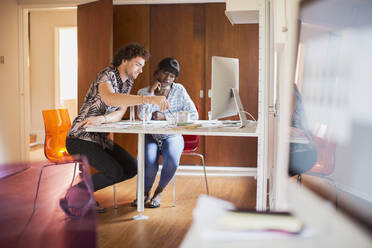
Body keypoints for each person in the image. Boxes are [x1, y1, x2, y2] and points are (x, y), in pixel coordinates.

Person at [65, 43, 169, 213]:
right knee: (114, 171)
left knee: (132, 168)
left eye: (142, 66)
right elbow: (110, 98)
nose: (141, 70)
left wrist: (103, 118)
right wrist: (149, 100)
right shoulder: (106, 75)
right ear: (124, 61)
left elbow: (120, 112)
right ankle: (78, 194)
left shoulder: (127, 83)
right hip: (79, 138)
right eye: (137, 64)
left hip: (99, 140)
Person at [132, 57, 198, 208]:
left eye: (173, 76)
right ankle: (144, 192)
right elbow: (142, 117)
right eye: (166, 73)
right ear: (157, 73)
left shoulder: (179, 90)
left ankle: (159, 191)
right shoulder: (143, 92)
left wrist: (165, 116)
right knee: (148, 161)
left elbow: (193, 115)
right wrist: (150, 93)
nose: (168, 78)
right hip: (151, 137)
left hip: (172, 135)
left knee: (172, 161)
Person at [289, 84, 317, 177]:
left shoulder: (290, 91)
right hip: (299, 152)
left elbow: (283, 125)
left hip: (303, 154)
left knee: (273, 162)